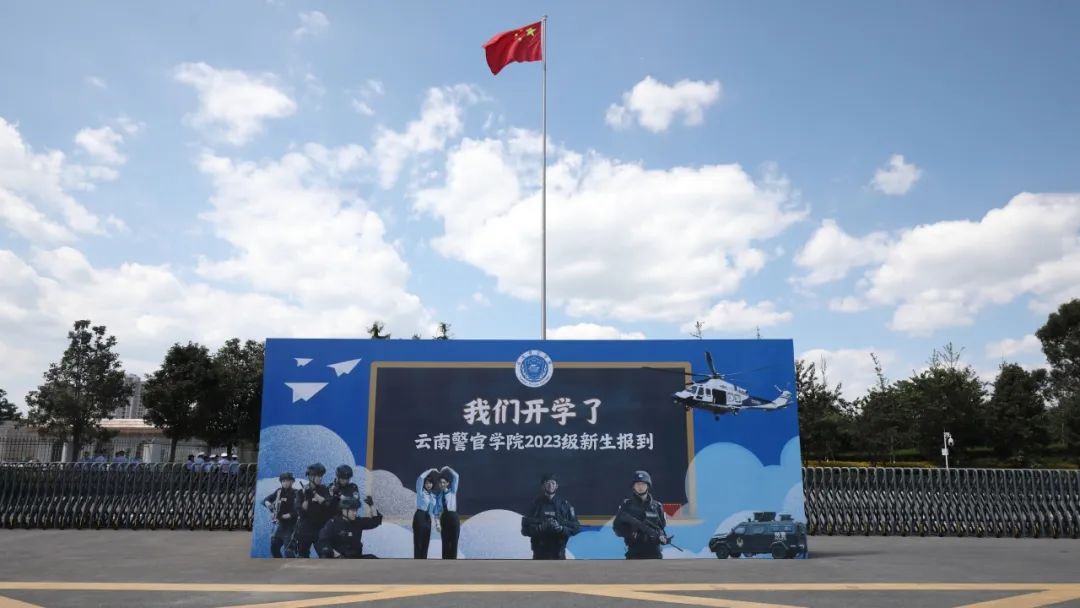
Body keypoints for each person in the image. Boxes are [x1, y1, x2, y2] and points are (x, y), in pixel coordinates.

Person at [521, 472, 581, 559]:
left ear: (557, 486)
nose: (550, 485)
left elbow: (576, 528)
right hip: (539, 554)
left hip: (559, 554)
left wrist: (561, 529)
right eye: (547, 483)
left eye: (553, 483)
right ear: (543, 486)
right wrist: (540, 528)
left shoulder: (565, 505)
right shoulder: (535, 505)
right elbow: (524, 530)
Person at [613, 470, 670, 560]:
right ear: (633, 486)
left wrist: (662, 537)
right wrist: (632, 534)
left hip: (655, 553)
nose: (640, 487)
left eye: (643, 484)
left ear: (648, 486)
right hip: (634, 552)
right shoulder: (627, 505)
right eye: (638, 484)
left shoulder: (657, 506)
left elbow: (661, 526)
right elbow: (617, 528)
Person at [318, 495, 383, 559]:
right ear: (344, 510)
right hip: (339, 559)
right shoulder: (333, 523)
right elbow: (323, 542)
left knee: (373, 559)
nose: (355, 513)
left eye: (356, 510)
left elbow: (376, 521)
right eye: (352, 510)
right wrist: (336, 555)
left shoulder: (357, 521)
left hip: (356, 558)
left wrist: (371, 505)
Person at [294, 462, 333, 558]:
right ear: (311, 477)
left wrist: (315, 494)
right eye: (318, 476)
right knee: (302, 557)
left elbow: (328, 505)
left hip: (320, 530)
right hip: (305, 530)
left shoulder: (324, 489)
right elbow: (300, 512)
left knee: (326, 556)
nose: (320, 478)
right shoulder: (300, 492)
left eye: (321, 476)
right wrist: (306, 500)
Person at [263, 472, 300, 558]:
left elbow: (298, 510)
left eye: (287, 481)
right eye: (283, 481)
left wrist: (286, 515)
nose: (285, 483)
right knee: (274, 547)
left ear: (292, 482)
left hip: (291, 526)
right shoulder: (279, 491)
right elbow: (266, 500)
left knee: (289, 551)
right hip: (281, 526)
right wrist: (271, 508)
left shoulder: (296, 493)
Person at [412, 468, 440, 559]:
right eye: (427, 483)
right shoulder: (420, 492)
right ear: (424, 484)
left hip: (428, 519)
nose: (428, 485)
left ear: (433, 484)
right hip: (420, 516)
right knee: (418, 542)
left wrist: (437, 524)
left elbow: (435, 512)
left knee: (426, 542)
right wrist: (430, 470)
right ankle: (417, 561)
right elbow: (420, 478)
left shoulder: (433, 496)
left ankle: (423, 561)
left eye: (430, 483)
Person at [434, 466, 460, 559]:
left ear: (448, 483)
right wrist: (437, 524)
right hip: (444, 519)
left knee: (454, 542)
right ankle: (445, 562)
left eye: (444, 482)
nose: (442, 484)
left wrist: (448, 468)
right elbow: (436, 513)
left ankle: (453, 562)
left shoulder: (452, 491)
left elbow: (456, 476)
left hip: (453, 517)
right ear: (438, 484)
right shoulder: (438, 497)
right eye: (440, 482)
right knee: (445, 542)